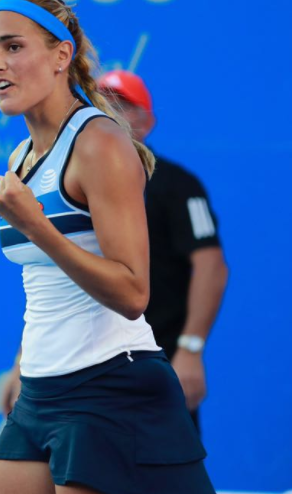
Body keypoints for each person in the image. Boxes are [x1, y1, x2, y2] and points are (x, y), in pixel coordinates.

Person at [0, 0, 213, 494]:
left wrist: (38, 228)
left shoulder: (100, 142)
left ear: (61, 55)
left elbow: (133, 294)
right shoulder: (21, 155)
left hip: (110, 388)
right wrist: (23, 366)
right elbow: (45, 289)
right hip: (41, 392)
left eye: (13, 46)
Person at [97, 69, 229, 428]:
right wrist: (24, 362)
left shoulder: (178, 185)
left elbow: (212, 266)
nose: (109, 114)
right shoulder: (75, 185)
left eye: (122, 106)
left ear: (147, 122)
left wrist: (190, 349)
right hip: (83, 367)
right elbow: (56, 280)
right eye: (100, 104)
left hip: (158, 366)